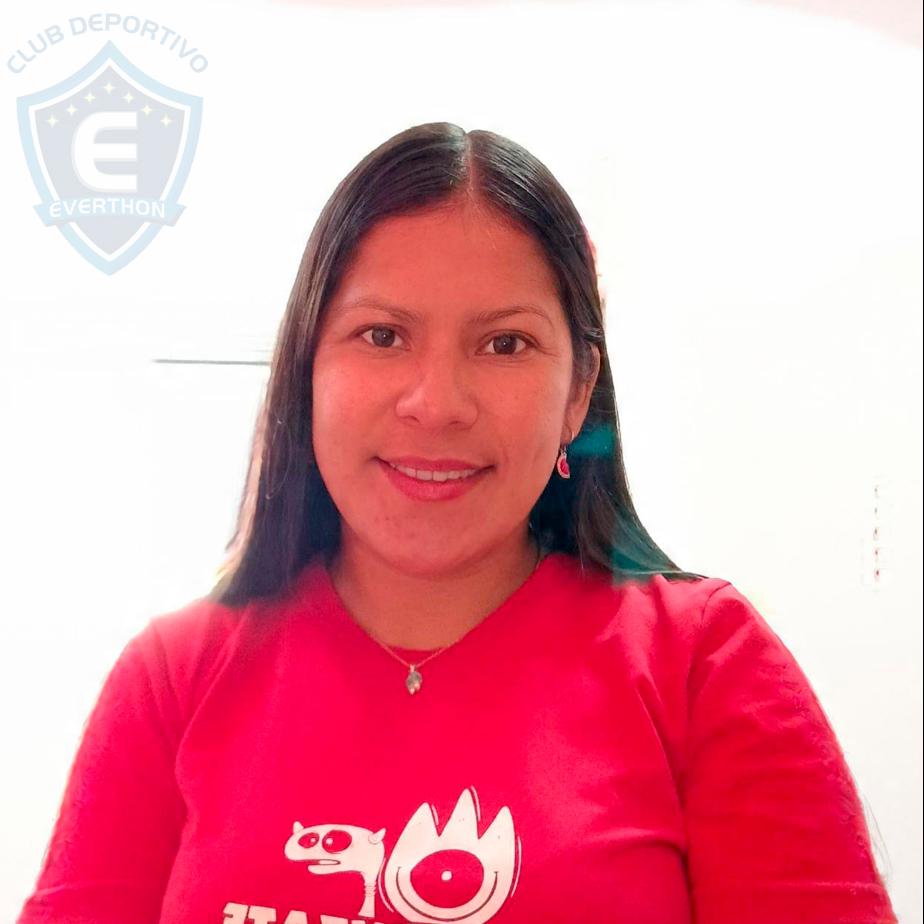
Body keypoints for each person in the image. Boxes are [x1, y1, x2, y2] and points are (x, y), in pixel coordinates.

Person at [17, 123, 897, 924]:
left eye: (505, 344)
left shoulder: (704, 666)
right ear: (307, 370)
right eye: (382, 336)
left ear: (578, 392)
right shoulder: (174, 679)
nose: (436, 403)